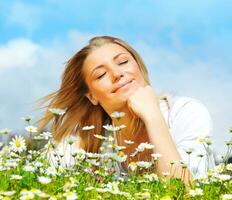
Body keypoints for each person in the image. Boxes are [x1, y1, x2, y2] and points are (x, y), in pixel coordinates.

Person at [37, 36, 215, 185]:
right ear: (92, 96)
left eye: (123, 62)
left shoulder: (185, 113)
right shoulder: (85, 143)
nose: (117, 74)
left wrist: (153, 117)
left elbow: (183, 191)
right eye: (100, 75)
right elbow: (40, 185)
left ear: (138, 66)